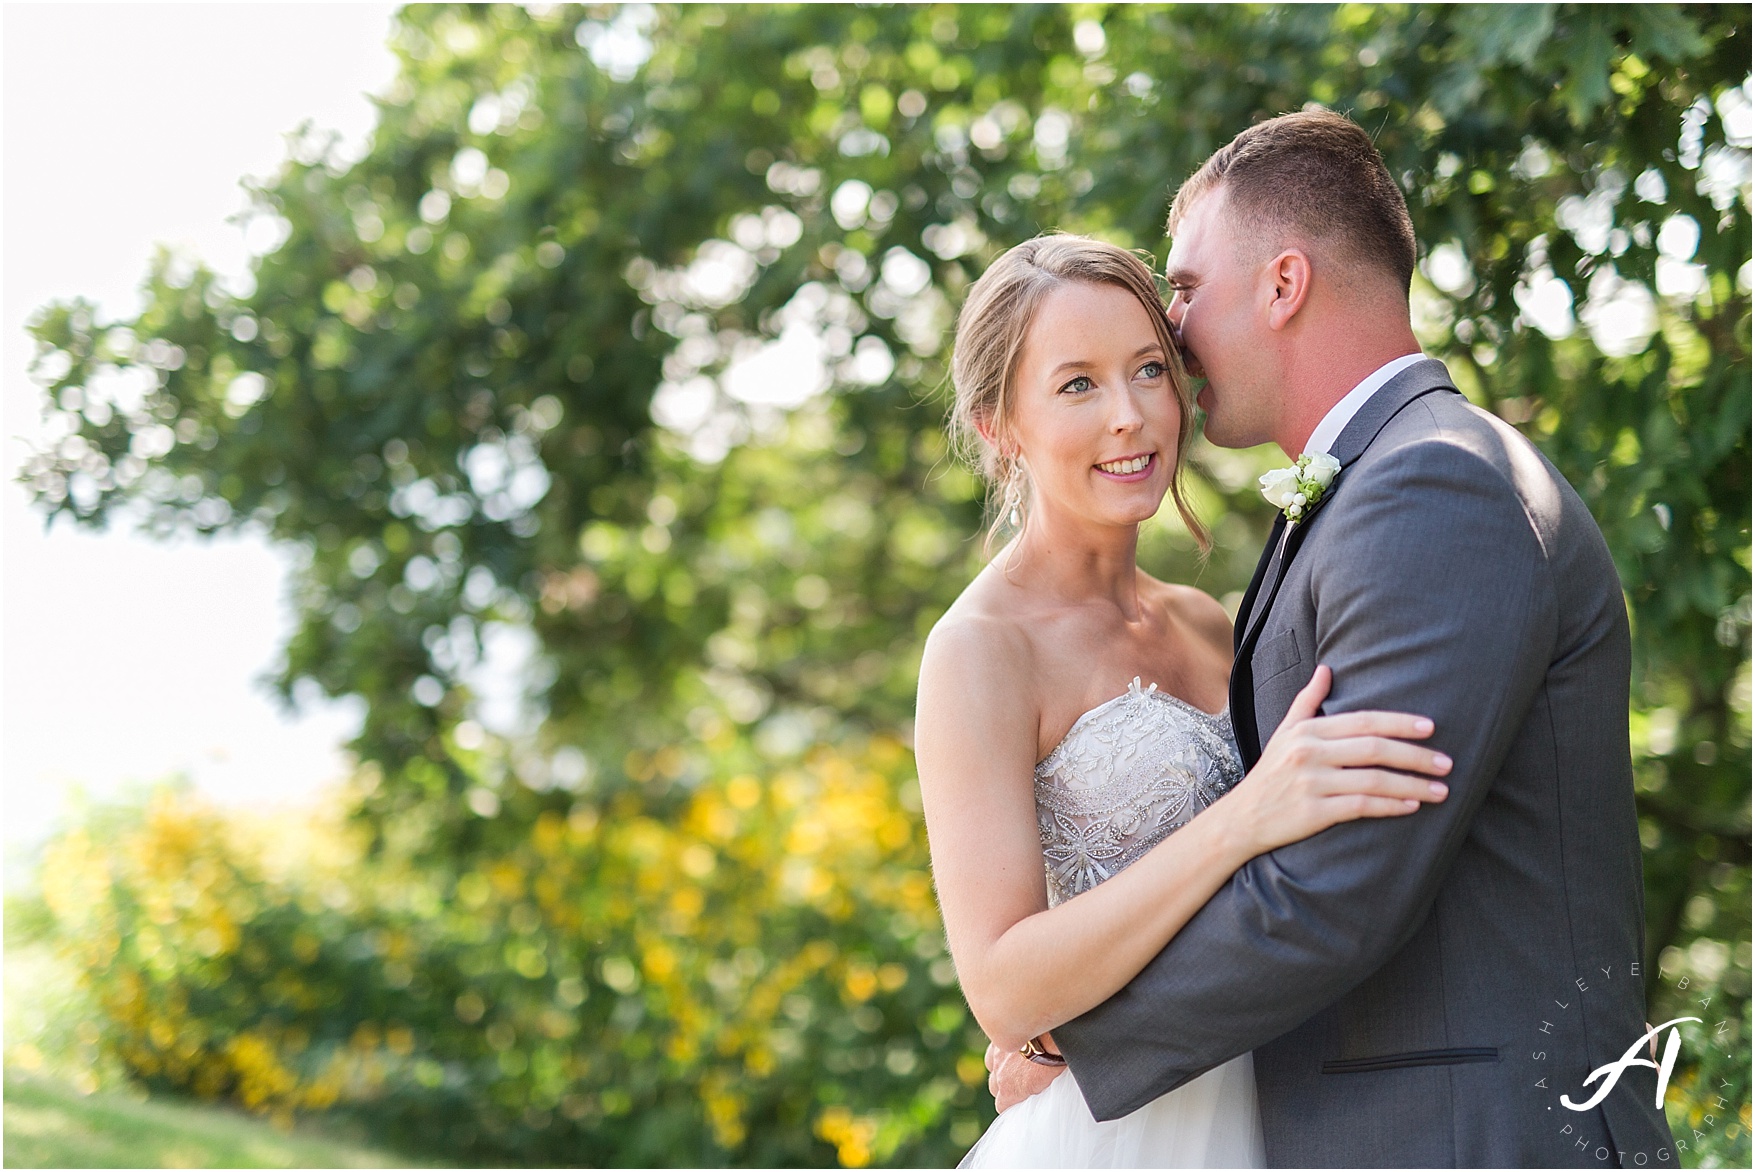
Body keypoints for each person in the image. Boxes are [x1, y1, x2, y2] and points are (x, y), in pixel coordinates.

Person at [988, 110, 1676, 1167]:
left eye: (1184, 287)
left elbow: (1337, 883)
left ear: (1282, 284)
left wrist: (1077, 1037)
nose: (1173, 331)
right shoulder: (1377, 485)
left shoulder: (1432, 484)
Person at [914, 233, 1456, 1168]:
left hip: (1284, 1102)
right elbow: (1002, 989)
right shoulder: (979, 650)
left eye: (1148, 372)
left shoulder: (1211, 622)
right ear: (999, 424)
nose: (1129, 417)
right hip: (1119, 1134)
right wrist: (1241, 819)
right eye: (1076, 385)